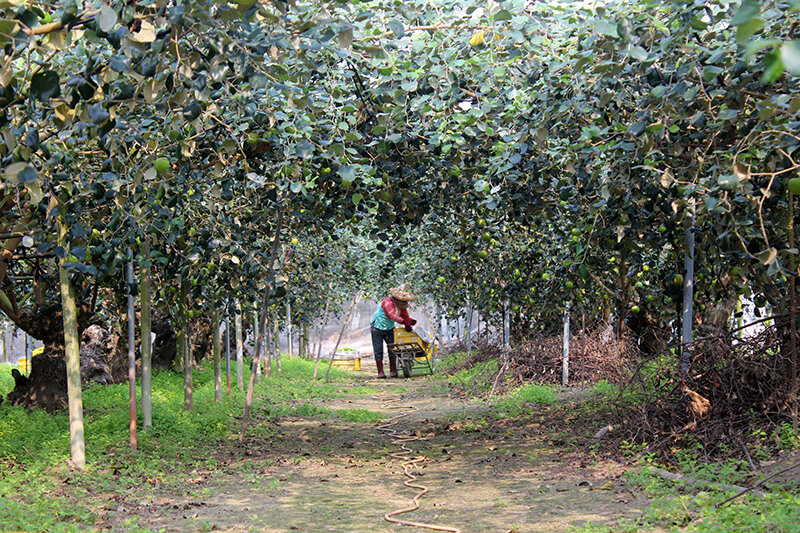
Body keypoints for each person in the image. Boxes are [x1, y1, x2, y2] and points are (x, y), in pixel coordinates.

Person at [370, 283, 417, 378]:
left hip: (390, 328)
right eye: (403, 301)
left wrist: (409, 321)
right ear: (397, 299)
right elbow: (392, 315)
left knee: (393, 349)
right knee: (378, 350)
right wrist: (404, 322)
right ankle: (381, 372)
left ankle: (393, 371)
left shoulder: (401, 305)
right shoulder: (388, 303)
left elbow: (405, 316)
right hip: (377, 327)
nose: (405, 303)